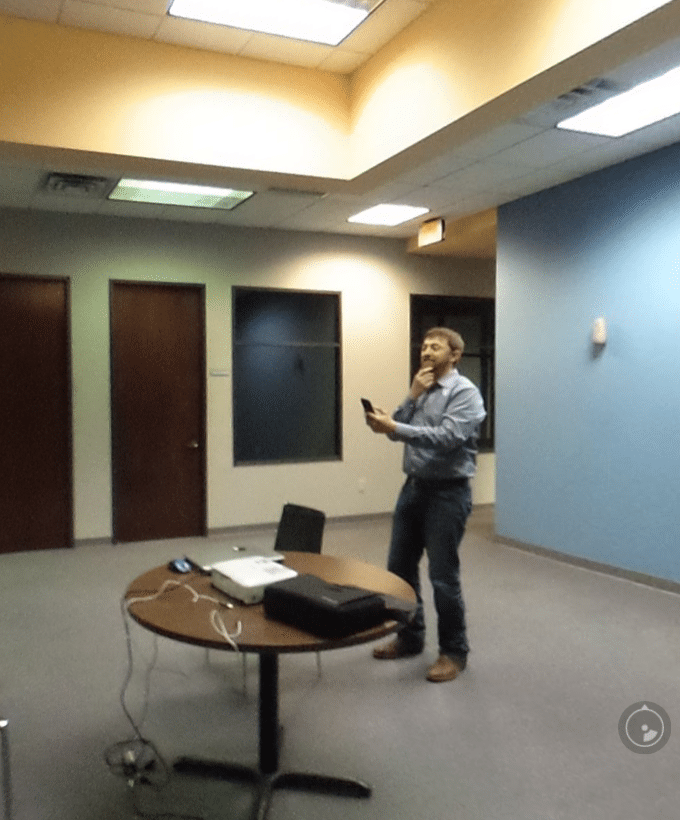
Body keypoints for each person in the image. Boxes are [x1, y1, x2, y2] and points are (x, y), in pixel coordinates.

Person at [365, 327, 486, 682]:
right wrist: (410, 397)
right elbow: (396, 432)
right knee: (399, 570)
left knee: (442, 577)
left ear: (455, 355)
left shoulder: (465, 393)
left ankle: (454, 652)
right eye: (424, 346)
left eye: (436, 347)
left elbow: (447, 438)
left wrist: (394, 426)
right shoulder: (422, 388)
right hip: (413, 489)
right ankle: (409, 637)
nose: (427, 351)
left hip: (448, 494)